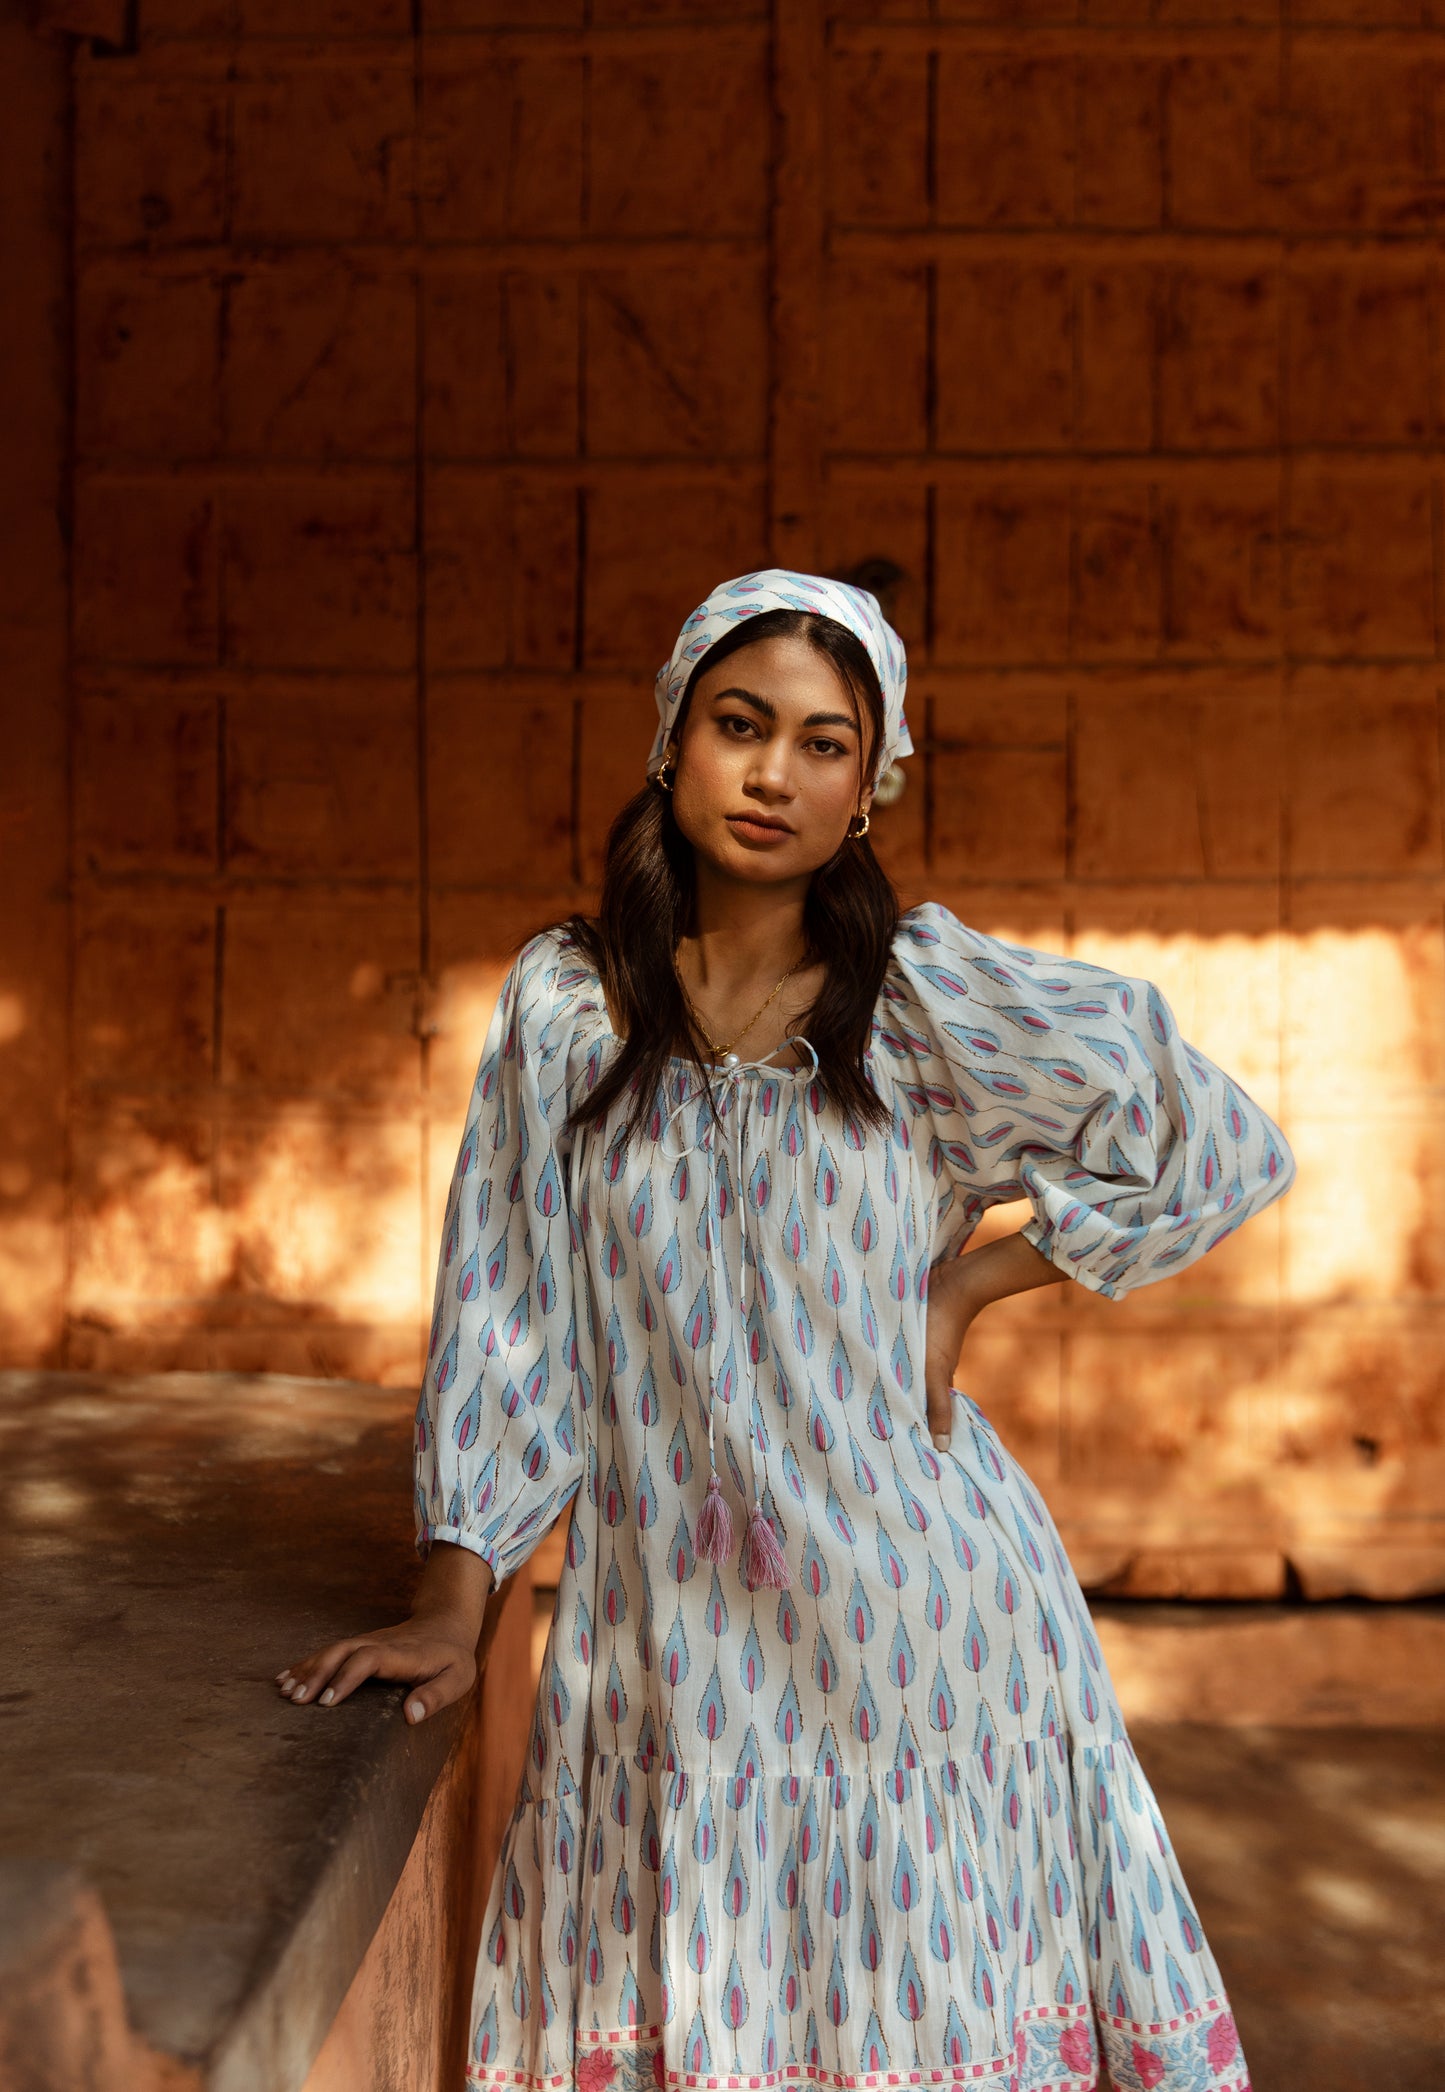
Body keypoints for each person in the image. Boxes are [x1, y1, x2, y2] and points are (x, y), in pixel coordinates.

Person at [278, 569, 1291, 2092]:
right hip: (666, 1650)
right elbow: (506, 1313)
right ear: (670, 742)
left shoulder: (921, 1002)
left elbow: (1208, 1141)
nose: (774, 773)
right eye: (741, 726)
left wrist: (968, 1286)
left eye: (825, 744)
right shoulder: (568, 1006)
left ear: (865, 787)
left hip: (927, 1645)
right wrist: (454, 1599)